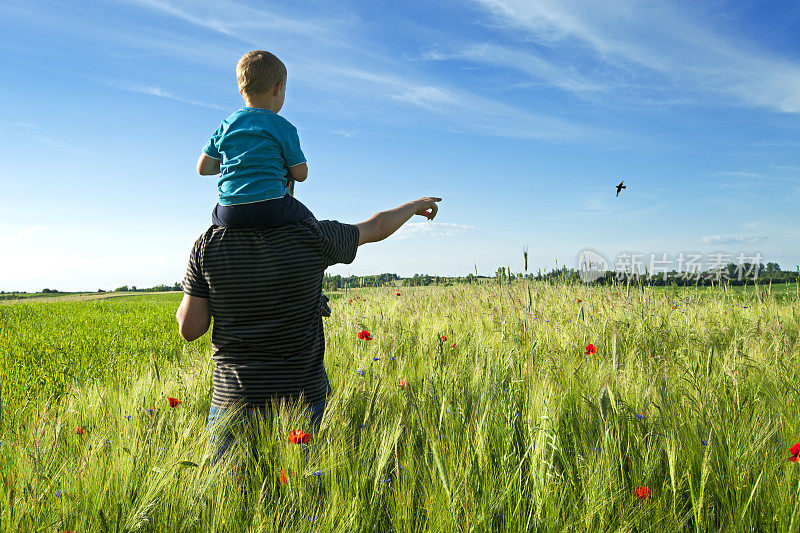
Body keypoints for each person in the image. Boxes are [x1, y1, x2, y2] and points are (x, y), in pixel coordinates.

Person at [176, 196, 442, 465]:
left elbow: (190, 329)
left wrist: (195, 284)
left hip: (234, 401)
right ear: (286, 185)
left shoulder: (208, 244)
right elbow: (377, 227)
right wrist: (414, 206)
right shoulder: (312, 234)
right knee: (309, 497)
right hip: (304, 400)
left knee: (232, 501)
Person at [197, 50, 312, 230]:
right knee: (309, 221)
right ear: (278, 88)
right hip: (271, 207)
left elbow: (203, 168)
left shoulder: (227, 125)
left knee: (216, 215)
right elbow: (301, 174)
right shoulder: (283, 127)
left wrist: (239, 163)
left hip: (229, 212)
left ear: (241, 91)